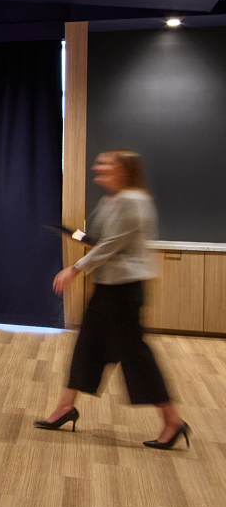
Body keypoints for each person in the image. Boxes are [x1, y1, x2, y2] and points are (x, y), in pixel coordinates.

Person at [37, 149, 188, 448]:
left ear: (124, 171)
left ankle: (173, 421)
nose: (98, 167)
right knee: (87, 345)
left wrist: (74, 269)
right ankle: (65, 407)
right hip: (107, 286)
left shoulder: (135, 201)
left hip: (125, 289)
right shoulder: (110, 200)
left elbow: (112, 246)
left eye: (106, 164)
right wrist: (74, 234)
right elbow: (97, 238)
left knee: (134, 355)